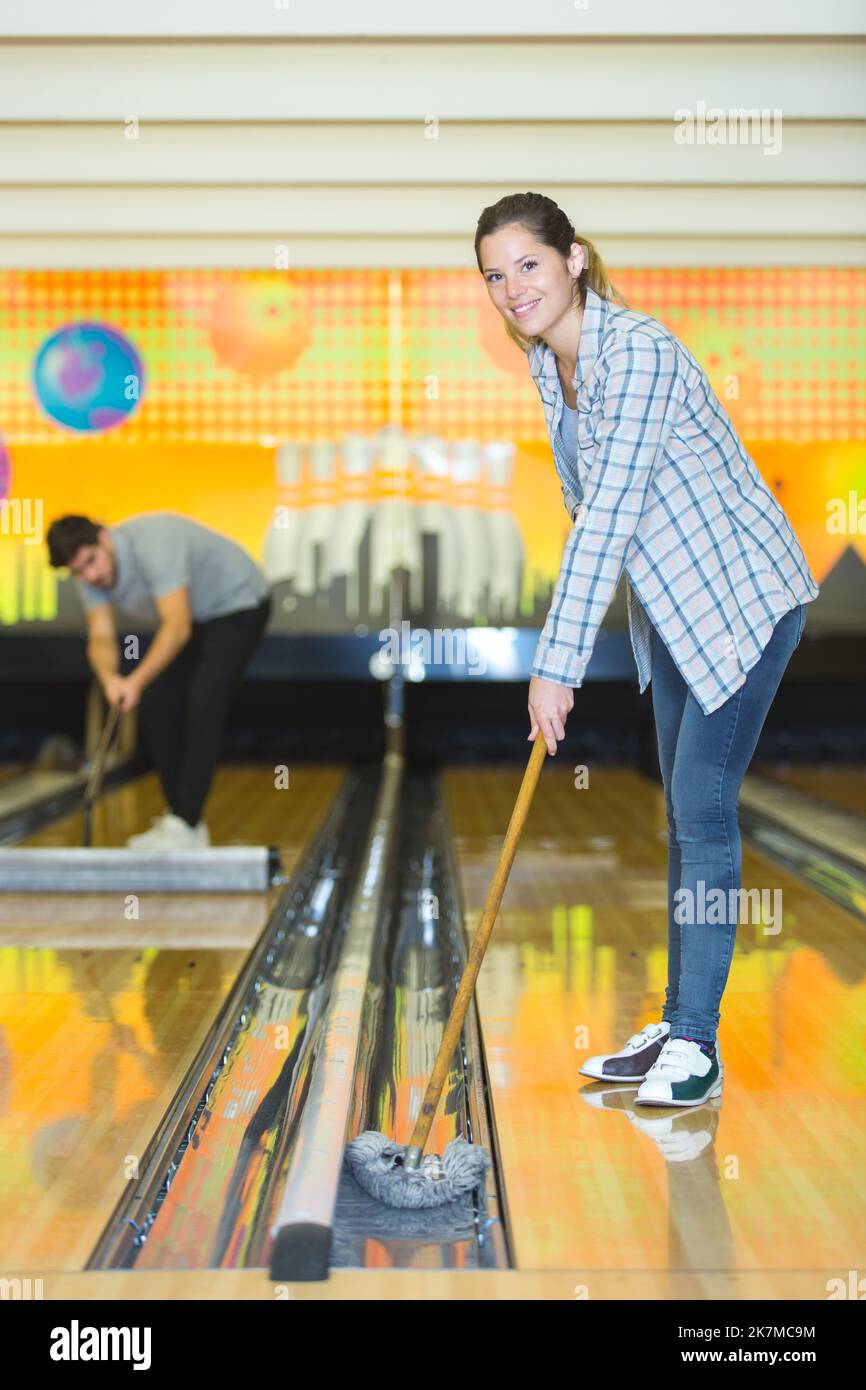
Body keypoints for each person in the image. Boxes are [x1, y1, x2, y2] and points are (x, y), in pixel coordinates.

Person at [475, 191, 820, 1108]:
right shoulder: (557, 371)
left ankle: (697, 1050)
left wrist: (556, 666)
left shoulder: (640, 353)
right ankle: (677, 1019)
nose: (513, 288)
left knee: (703, 813)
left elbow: (616, 510)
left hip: (743, 602)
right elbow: (587, 516)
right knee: (682, 813)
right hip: (676, 611)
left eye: (529, 266)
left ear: (575, 259)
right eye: (495, 276)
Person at [46, 511, 272, 849]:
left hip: (239, 603)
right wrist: (111, 679)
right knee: (156, 702)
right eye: (79, 571)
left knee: (203, 702)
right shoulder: (89, 575)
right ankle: (181, 820)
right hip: (199, 617)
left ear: (104, 538)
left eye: (91, 562)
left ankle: (186, 822)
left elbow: (177, 627)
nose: (90, 575)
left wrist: (133, 681)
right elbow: (102, 637)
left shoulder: (154, 544)